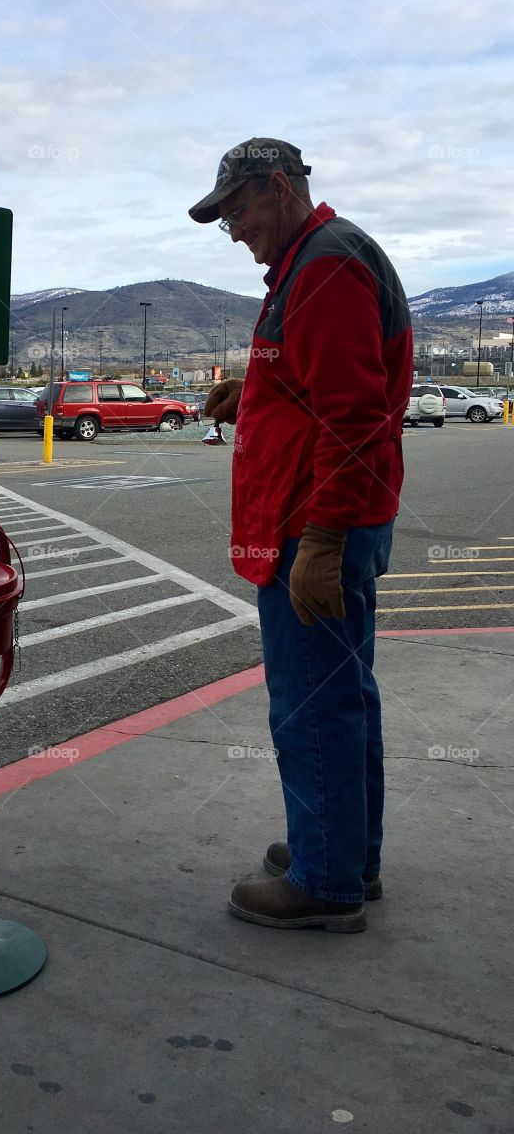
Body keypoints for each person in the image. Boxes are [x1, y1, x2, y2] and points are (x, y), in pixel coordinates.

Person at [189, 137, 413, 932]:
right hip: (326, 516)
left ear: (279, 188)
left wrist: (319, 542)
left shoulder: (324, 266)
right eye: (225, 221)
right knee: (345, 695)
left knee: (311, 704)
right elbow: (328, 381)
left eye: (238, 212)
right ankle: (348, 852)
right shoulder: (317, 259)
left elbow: (353, 415)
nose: (235, 231)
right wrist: (259, 385)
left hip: (313, 524)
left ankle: (325, 883)